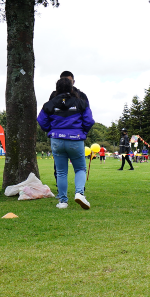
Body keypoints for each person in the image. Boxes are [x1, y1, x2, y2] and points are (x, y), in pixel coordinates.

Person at [36, 76, 93, 209]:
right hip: (75, 139)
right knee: (80, 169)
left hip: (57, 139)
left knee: (61, 172)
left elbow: (41, 120)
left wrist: (50, 130)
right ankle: (79, 193)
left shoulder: (49, 104)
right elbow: (89, 120)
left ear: (57, 89)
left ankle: (63, 201)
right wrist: (83, 132)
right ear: (72, 88)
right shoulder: (81, 103)